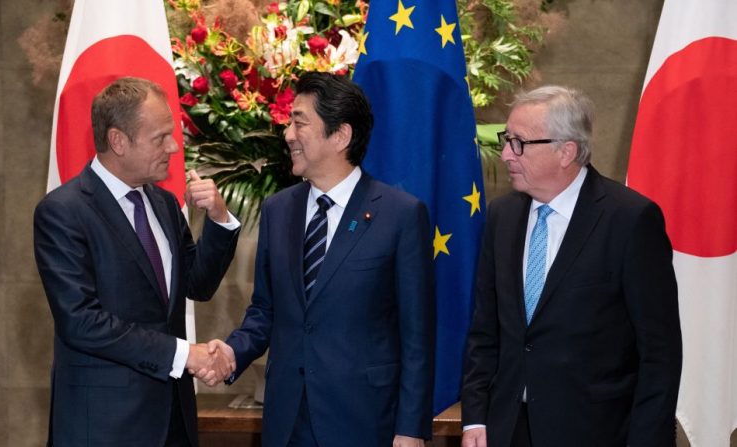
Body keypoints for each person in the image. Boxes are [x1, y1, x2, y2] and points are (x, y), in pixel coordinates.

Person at [201, 72, 436, 447]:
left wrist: (410, 429)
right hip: (287, 419)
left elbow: (417, 335)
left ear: (340, 136)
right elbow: (265, 310)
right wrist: (231, 352)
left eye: (299, 122)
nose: (287, 134)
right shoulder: (278, 210)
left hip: (365, 419)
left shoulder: (401, 215)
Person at [460, 85, 683, 447]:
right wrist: (474, 419)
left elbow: (659, 354)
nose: (504, 154)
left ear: (567, 152)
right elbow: (485, 331)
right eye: (506, 139)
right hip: (507, 429)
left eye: (519, 143)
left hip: (596, 431)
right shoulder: (502, 216)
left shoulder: (629, 220)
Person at [34, 76, 239, 447]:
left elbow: (198, 285)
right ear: (118, 141)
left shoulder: (162, 204)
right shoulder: (63, 212)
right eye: (160, 137)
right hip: (105, 426)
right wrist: (183, 354)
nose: (174, 147)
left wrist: (220, 221)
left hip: (173, 420)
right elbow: (80, 321)